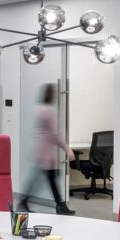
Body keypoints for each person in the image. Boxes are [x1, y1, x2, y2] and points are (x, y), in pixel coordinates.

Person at [24, 83, 76, 215]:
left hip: (41, 150)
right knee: (50, 179)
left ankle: (26, 201)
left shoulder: (41, 110)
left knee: (46, 179)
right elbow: (54, 134)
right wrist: (67, 149)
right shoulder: (48, 111)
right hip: (46, 152)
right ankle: (60, 206)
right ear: (51, 95)